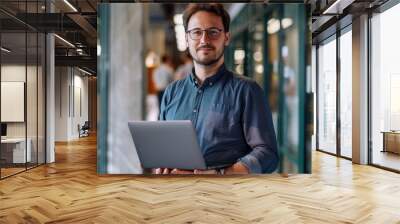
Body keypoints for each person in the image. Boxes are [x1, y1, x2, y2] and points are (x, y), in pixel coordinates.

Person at [157, 3, 279, 174]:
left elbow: (268, 154)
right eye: (196, 32)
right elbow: (163, 146)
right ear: (186, 39)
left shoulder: (247, 91)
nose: (204, 40)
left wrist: (218, 175)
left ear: (226, 37)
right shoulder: (172, 92)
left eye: (213, 32)